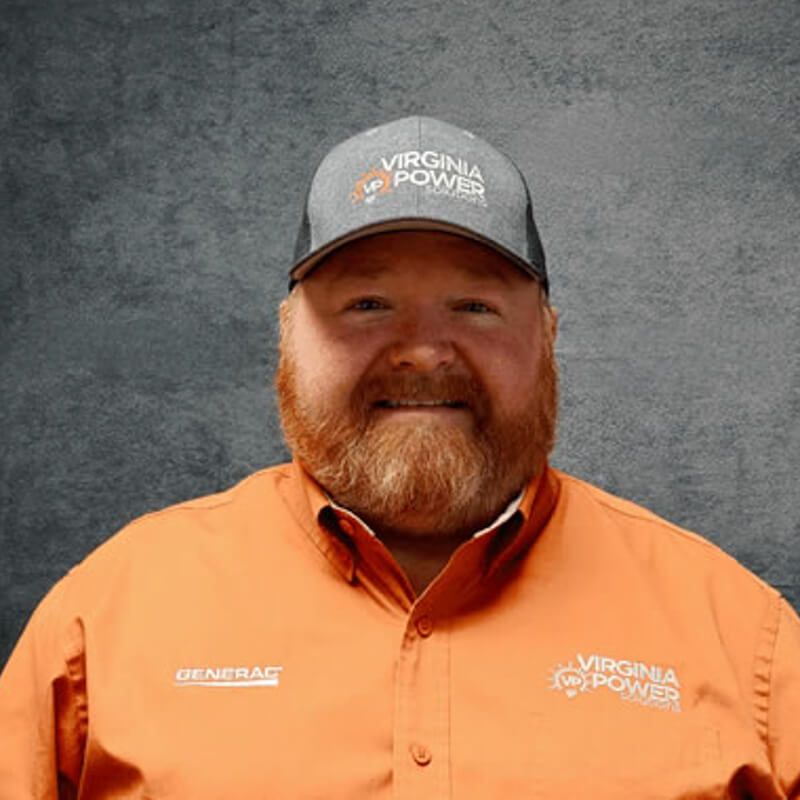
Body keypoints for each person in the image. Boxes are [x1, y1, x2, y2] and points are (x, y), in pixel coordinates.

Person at [0, 115, 798, 799]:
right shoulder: (102, 623)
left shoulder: (746, 644)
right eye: (367, 304)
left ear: (548, 338)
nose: (421, 352)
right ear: (287, 337)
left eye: (476, 307)